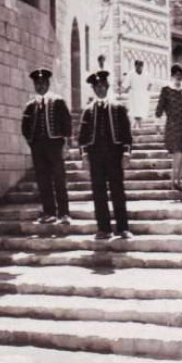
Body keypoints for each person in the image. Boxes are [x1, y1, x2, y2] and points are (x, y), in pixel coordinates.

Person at [78, 70, 133, 239]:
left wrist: (126, 152)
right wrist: (84, 156)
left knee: (118, 191)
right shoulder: (88, 111)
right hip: (96, 158)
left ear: (107, 87)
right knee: (98, 192)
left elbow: (126, 132)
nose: (100, 89)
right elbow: (82, 137)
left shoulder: (118, 108)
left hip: (114, 156)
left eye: (103, 86)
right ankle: (103, 228)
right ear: (93, 89)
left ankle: (122, 227)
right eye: (97, 87)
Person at [21, 67, 73, 225]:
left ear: (48, 83)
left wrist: (66, 143)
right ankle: (49, 212)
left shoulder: (58, 101)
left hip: (55, 145)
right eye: (37, 83)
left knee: (59, 179)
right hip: (38, 147)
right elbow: (25, 127)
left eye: (43, 83)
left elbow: (67, 123)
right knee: (43, 180)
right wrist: (32, 142)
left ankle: (64, 213)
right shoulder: (30, 105)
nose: (40, 86)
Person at [154, 64, 182, 193]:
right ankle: (174, 180)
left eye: (180, 74)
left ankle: (179, 179)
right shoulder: (166, 89)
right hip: (173, 124)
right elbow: (160, 108)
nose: (178, 77)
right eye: (176, 74)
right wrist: (157, 123)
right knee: (177, 152)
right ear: (172, 75)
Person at [122, 58, 150, 128]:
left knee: (141, 111)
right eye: (138, 65)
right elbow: (125, 85)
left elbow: (150, 83)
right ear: (135, 66)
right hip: (134, 95)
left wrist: (146, 90)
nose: (139, 67)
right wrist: (122, 90)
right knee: (135, 111)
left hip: (143, 94)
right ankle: (136, 125)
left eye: (141, 65)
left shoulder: (146, 74)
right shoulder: (131, 74)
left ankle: (139, 125)